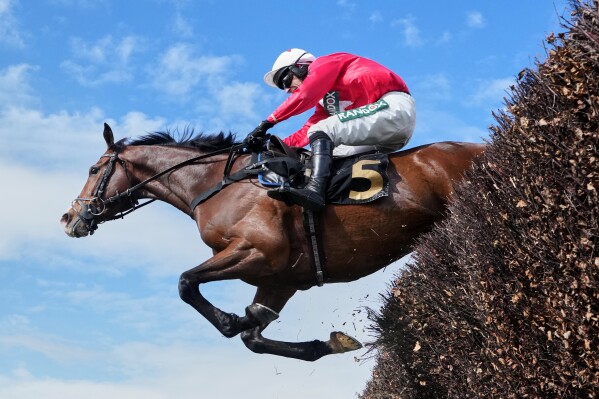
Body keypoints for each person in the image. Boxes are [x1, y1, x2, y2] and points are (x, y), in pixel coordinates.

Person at [244, 48, 416, 211]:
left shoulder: (324, 63)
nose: (287, 90)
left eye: (285, 80)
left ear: (300, 67)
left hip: (393, 108)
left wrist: (267, 123)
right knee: (325, 155)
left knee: (323, 129)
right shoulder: (326, 102)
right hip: (380, 131)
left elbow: (305, 94)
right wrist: (271, 145)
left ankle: (315, 191)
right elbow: (307, 131)